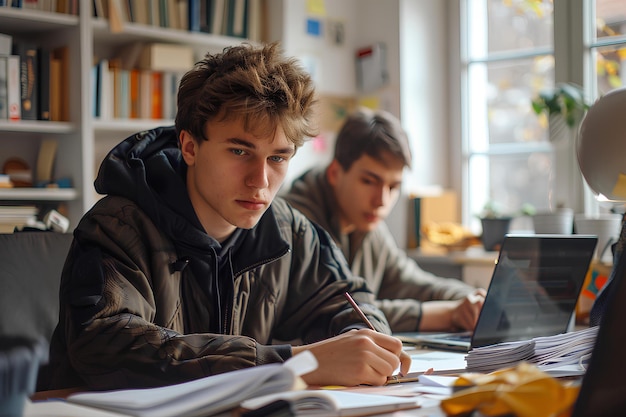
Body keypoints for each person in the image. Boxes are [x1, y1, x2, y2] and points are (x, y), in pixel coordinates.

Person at [40, 43, 410, 391]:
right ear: (190, 147)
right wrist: (291, 361)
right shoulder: (116, 227)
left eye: (278, 158)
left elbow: (351, 303)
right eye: (239, 151)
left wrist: (368, 348)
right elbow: (104, 344)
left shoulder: (290, 229)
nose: (260, 181)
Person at [283, 108, 486, 333]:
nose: (382, 200)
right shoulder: (295, 225)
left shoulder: (367, 224)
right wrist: (448, 314)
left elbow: (414, 283)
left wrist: (470, 300)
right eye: (369, 181)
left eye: (393, 186)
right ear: (335, 173)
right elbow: (340, 312)